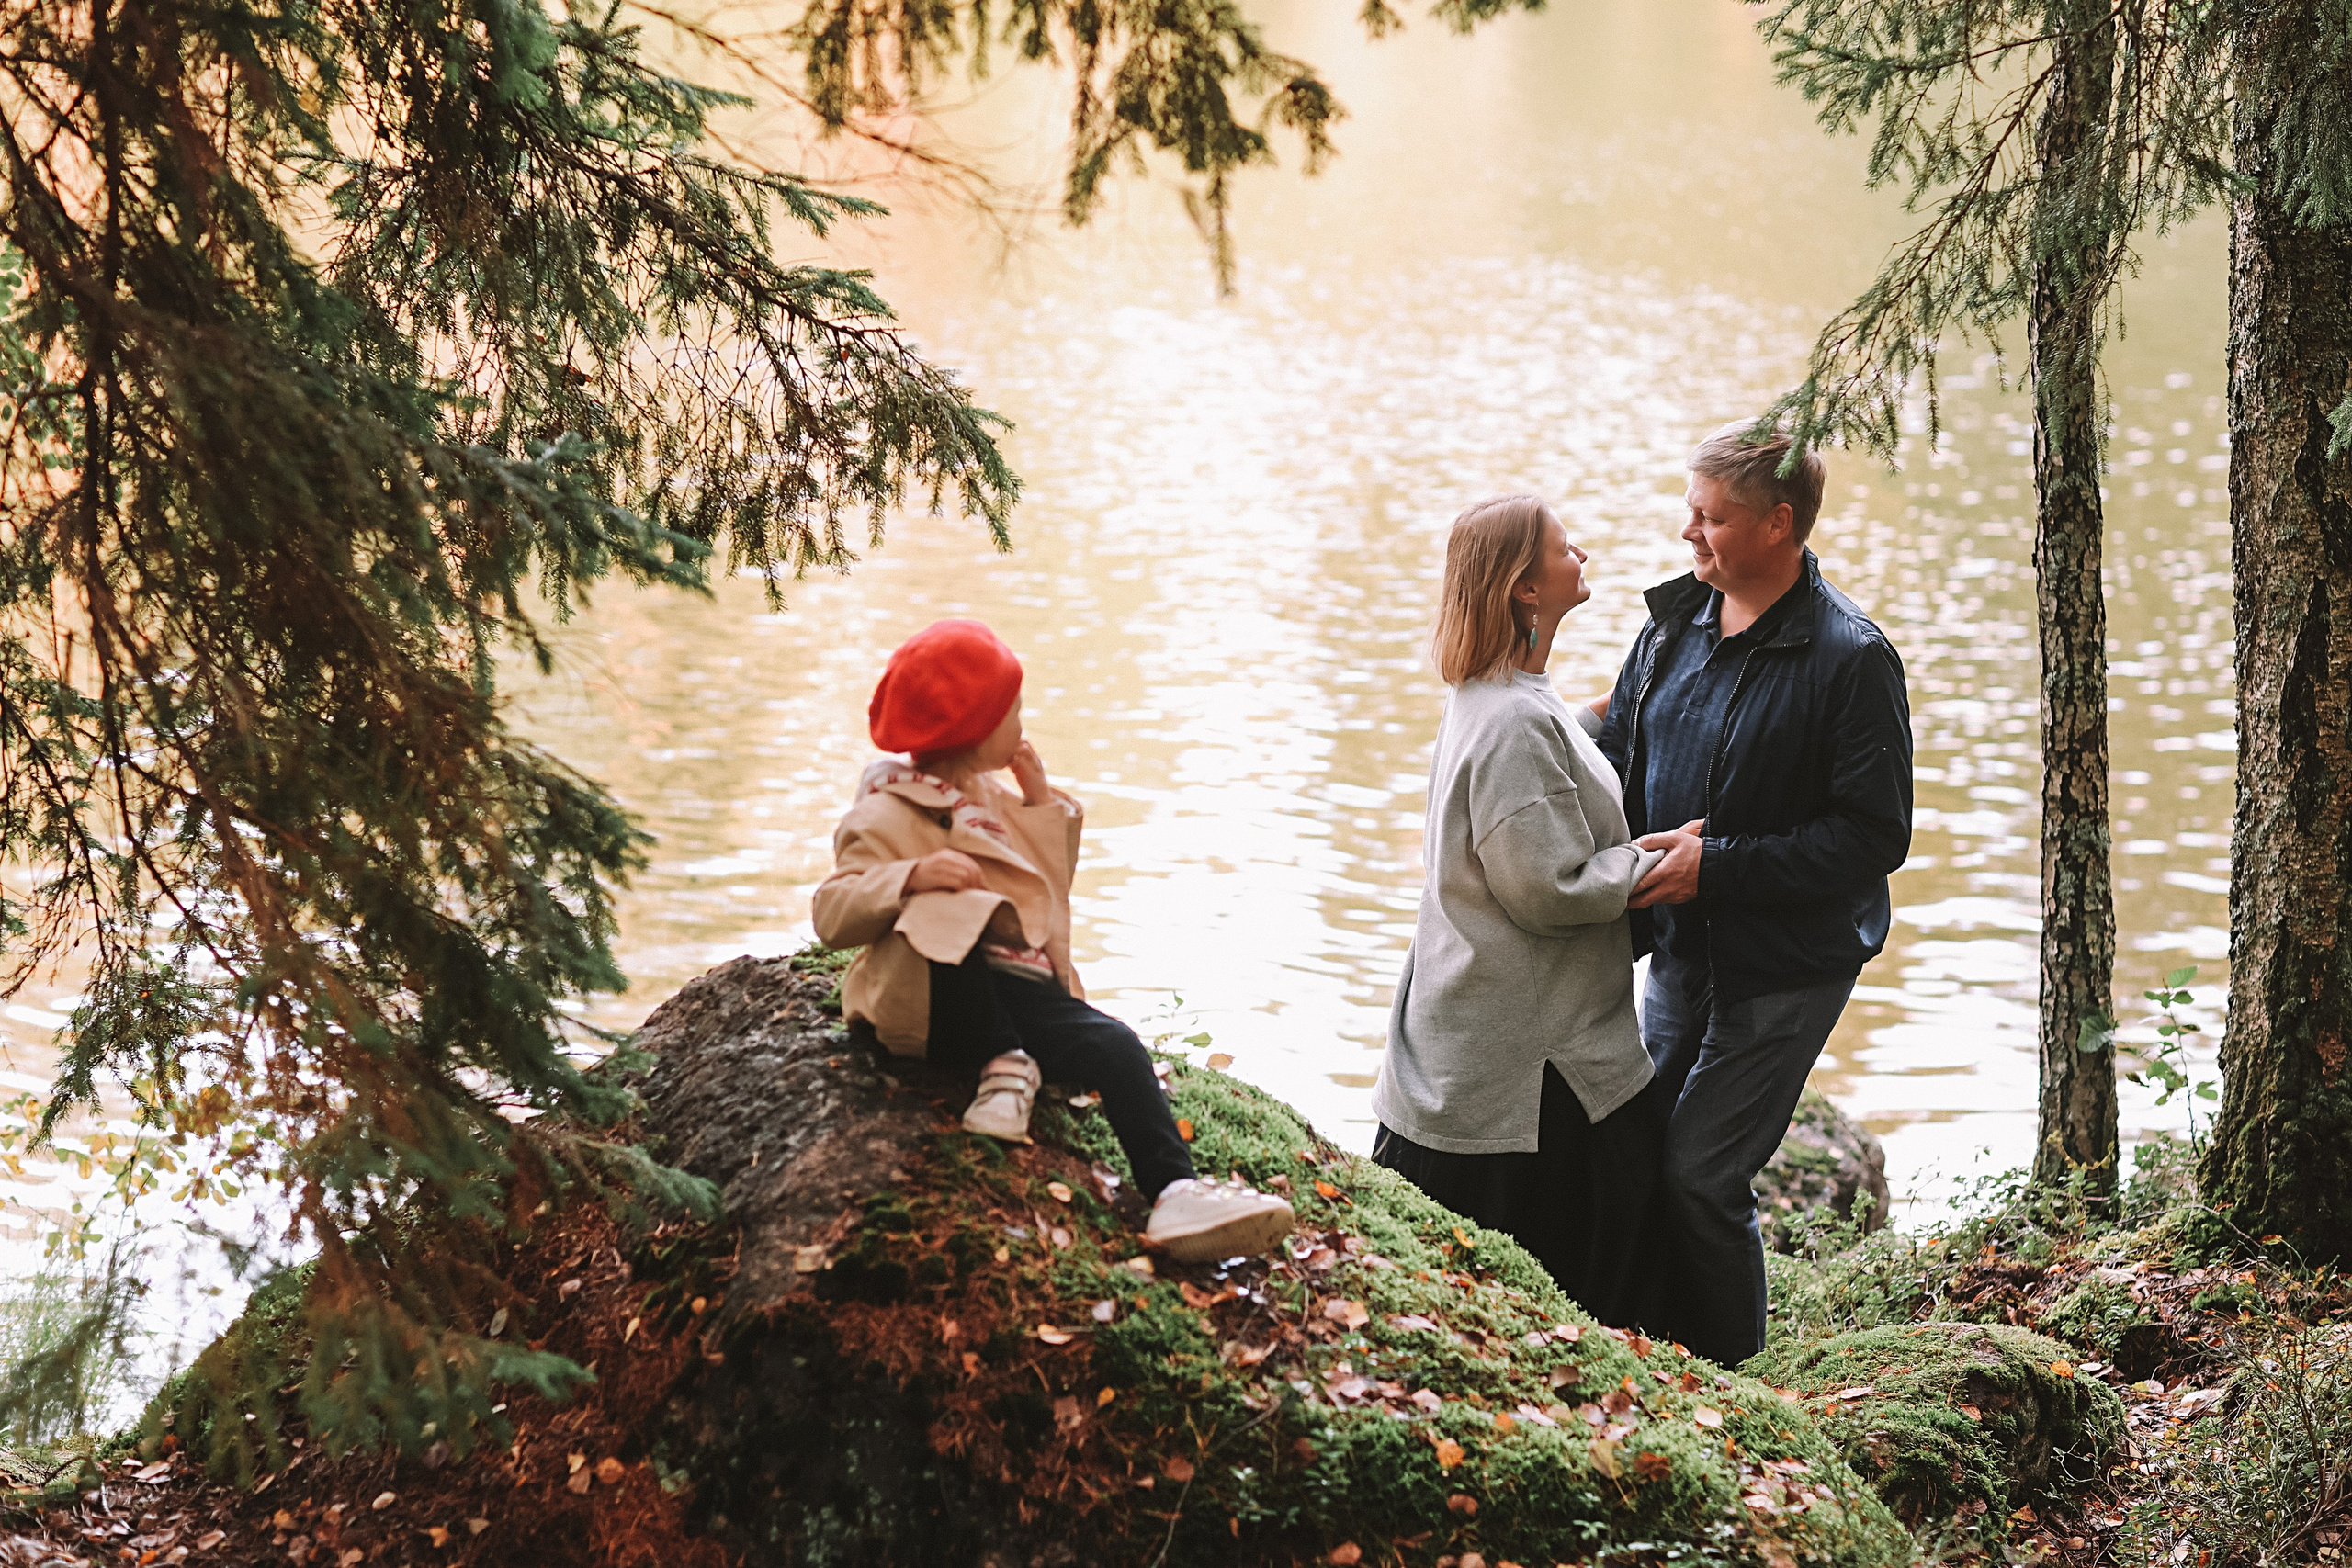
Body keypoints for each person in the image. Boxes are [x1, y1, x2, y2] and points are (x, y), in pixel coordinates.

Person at [812, 619, 1296, 1263]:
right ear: (972, 729)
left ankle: (1173, 1188)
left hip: (1015, 991)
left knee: (1116, 1045)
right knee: (958, 910)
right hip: (933, 998)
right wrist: (910, 877)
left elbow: (1040, 895)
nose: (1023, 725)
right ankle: (1003, 1061)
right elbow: (831, 911)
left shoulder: (986, 796)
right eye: (1012, 712)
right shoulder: (885, 812)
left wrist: (1038, 801)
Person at [1596, 422, 1913, 1367]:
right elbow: (1615, 757)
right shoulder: (1671, 625)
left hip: (1785, 966)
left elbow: (1872, 838)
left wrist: (1718, 866)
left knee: (1700, 1174)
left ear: (1779, 525)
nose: (1686, 534)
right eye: (1689, 511)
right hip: (1680, 949)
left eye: (1710, 518)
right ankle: (1656, 1357)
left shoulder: (1850, 658)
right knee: (1642, 1155)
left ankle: (1740, 1385)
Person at [1370, 495, 1670, 1328]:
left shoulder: (1500, 694)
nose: (1582, 552)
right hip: (1525, 1064)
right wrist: (1657, 861)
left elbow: (1534, 752)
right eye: (1562, 547)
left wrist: (1600, 715)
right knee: (1575, 1288)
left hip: (1477, 1031)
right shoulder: (1510, 724)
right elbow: (1549, 887)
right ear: (1524, 589)